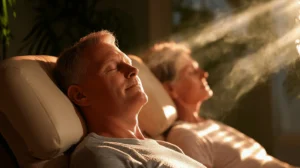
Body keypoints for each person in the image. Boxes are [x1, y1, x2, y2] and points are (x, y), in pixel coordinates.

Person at [54, 31, 206, 168]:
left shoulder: (166, 148)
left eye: (129, 63)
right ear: (80, 95)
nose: (134, 71)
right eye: (113, 68)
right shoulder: (100, 155)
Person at [143, 42, 296, 168]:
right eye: (192, 72)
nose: (204, 74)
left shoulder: (210, 126)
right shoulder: (185, 135)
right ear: (171, 88)